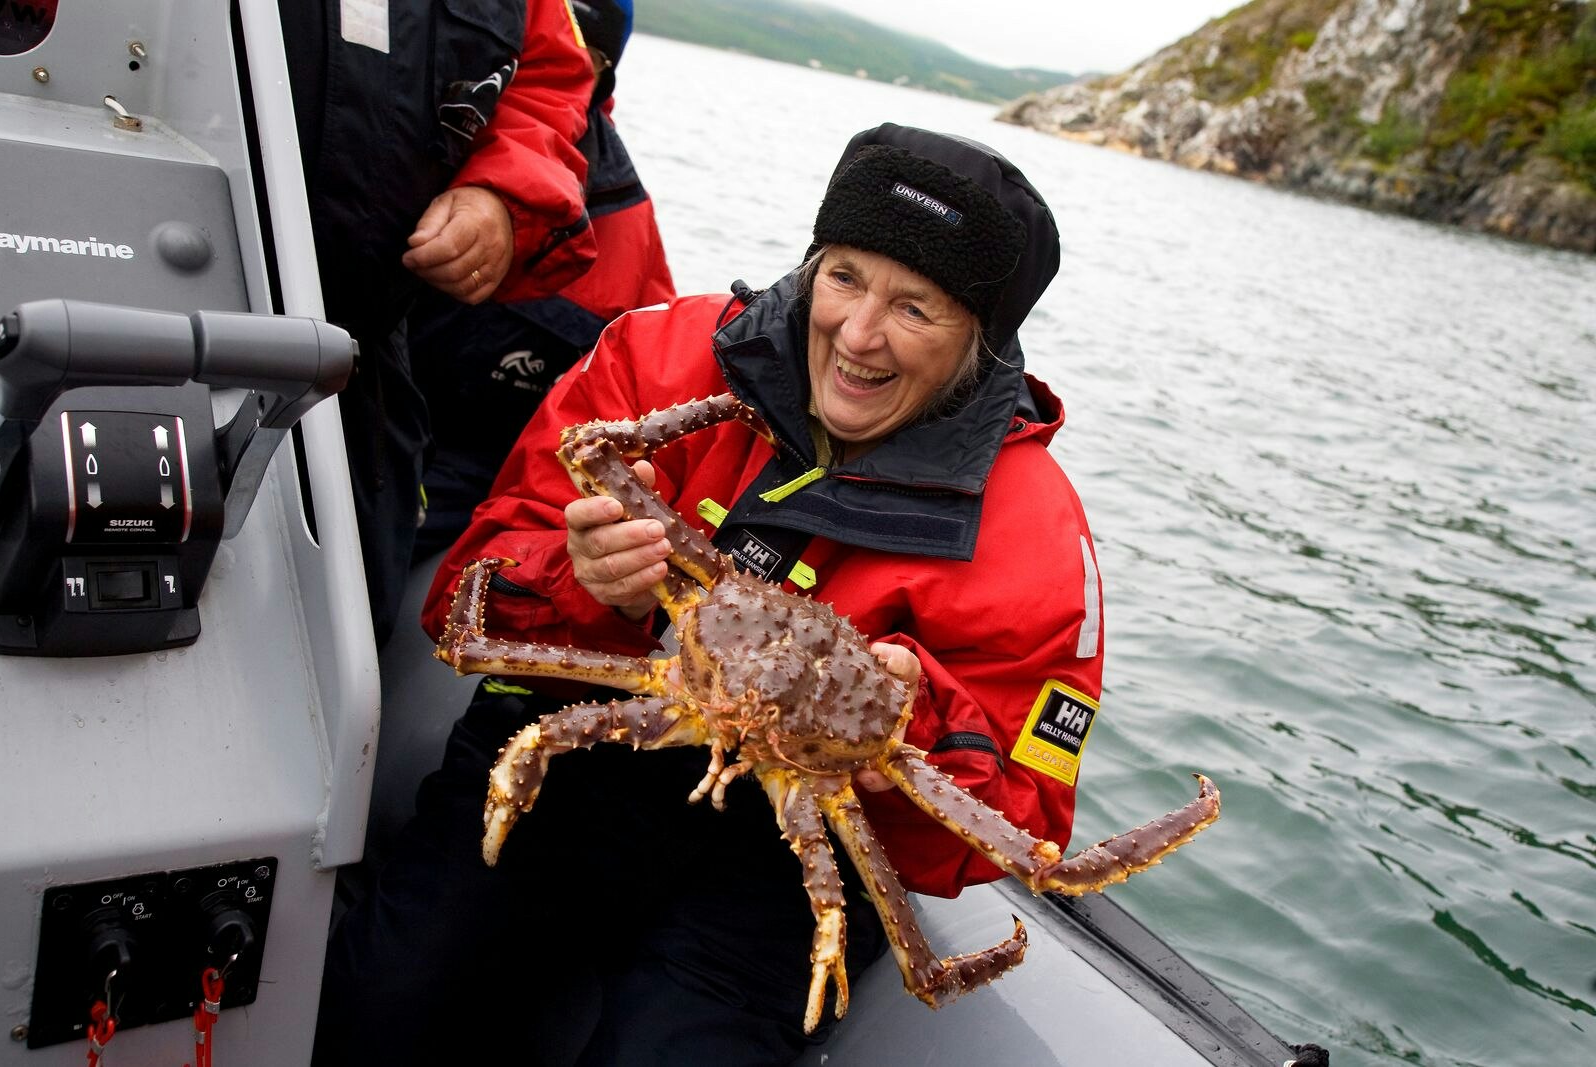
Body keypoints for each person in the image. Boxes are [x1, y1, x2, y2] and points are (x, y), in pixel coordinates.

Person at [314, 123, 1100, 1065]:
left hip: (782, 850)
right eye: (843, 276)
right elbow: (461, 605)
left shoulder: (1037, 533)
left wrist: (907, 724)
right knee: (381, 1006)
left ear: (982, 336)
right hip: (590, 744)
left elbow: (1027, 822)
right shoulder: (664, 356)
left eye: (916, 307)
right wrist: (584, 583)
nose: (857, 334)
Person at [276, 0, 599, 645]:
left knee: (348, 626)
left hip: (363, 378)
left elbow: (547, 84)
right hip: (140, 325)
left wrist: (502, 195)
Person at [407, 0, 675, 561]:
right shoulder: (401, 135)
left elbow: (650, 387)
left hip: (486, 472)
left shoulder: (622, 214)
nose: (570, 64)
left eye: (590, 55)